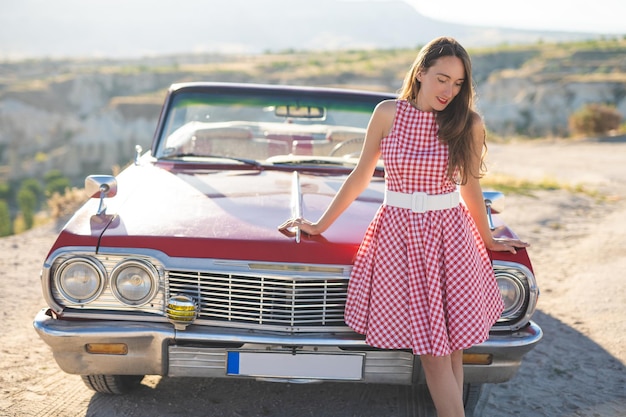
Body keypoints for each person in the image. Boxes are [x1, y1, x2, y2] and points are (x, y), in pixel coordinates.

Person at [278, 36, 529, 417]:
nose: (449, 91)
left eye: (458, 84)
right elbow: (361, 174)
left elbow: (470, 186)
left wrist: (489, 238)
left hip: (451, 236)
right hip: (398, 236)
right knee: (436, 352)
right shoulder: (388, 113)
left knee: (449, 349)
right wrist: (320, 223)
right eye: (442, 79)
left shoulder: (468, 123)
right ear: (421, 72)